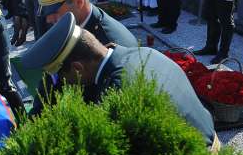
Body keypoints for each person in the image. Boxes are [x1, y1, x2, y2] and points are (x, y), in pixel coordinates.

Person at [22, 12, 218, 147]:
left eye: (63, 77)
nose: (66, 84)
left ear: (77, 68)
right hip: (209, 136)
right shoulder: (145, 52)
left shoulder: (115, 93)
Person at [24, 0, 138, 115]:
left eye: (54, 12)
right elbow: (51, 76)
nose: (49, 19)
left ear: (79, 1)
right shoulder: (64, 24)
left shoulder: (110, 41)